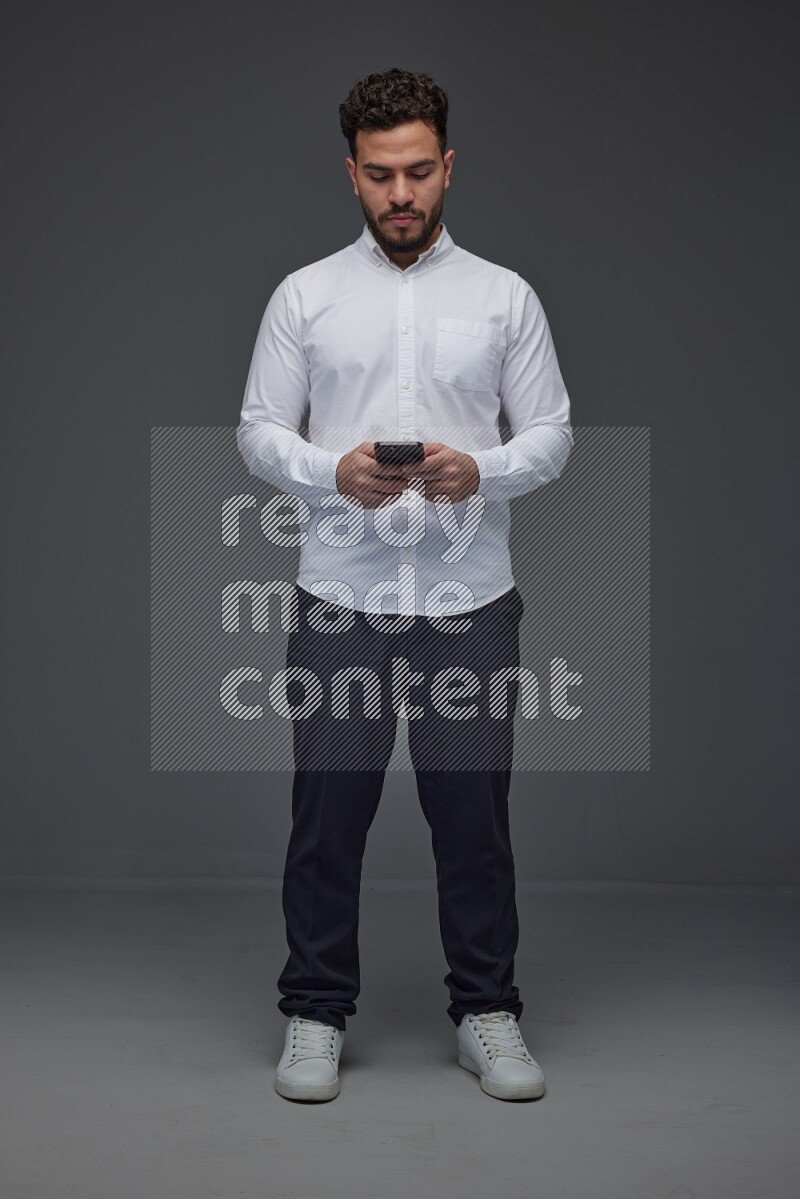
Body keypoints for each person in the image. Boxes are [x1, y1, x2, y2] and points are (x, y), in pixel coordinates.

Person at [236, 66, 573, 1102]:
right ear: (350, 174)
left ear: (446, 168)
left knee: (471, 813)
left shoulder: (503, 296)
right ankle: (313, 1009)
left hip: (468, 601)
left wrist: (488, 468)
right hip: (340, 595)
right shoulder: (306, 295)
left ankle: (486, 1010)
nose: (400, 195)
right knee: (326, 814)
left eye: (418, 173)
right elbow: (256, 431)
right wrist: (328, 470)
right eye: (379, 175)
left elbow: (553, 432)